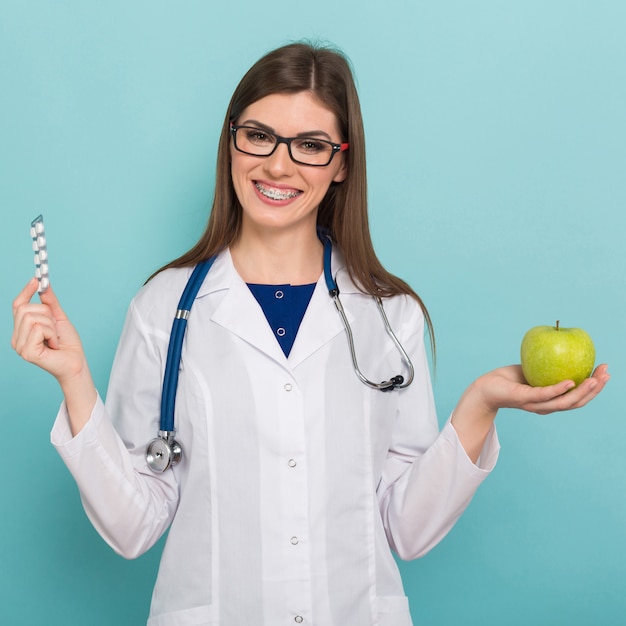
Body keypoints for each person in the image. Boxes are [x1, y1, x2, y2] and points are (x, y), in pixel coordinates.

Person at [11, 42, 609, 626]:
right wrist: (75, 382)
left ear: (343, 162)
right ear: (232, 141)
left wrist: (480, 405)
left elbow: (408, 530)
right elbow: (132, 527)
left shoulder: (387, 312)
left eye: (312, 145)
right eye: (259, 135)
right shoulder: (165, 306)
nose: (278, 164)